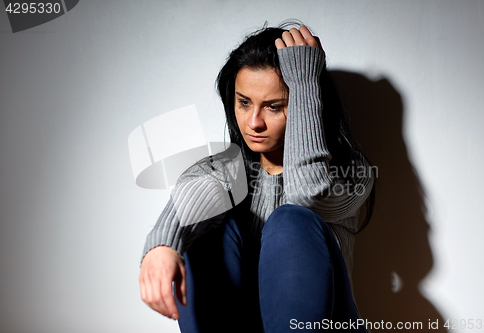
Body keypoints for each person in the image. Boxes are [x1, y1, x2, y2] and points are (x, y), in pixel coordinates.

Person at [139, 23, 375, 333]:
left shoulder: (351, 172)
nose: (253, 123)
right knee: (204, 233)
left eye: (274, 106)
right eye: (244, 102)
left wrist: (304, 82)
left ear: (306, 104)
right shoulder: (227, 169)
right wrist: (162, 248)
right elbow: (197, 187)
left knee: (290, 221)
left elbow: (307, 193)